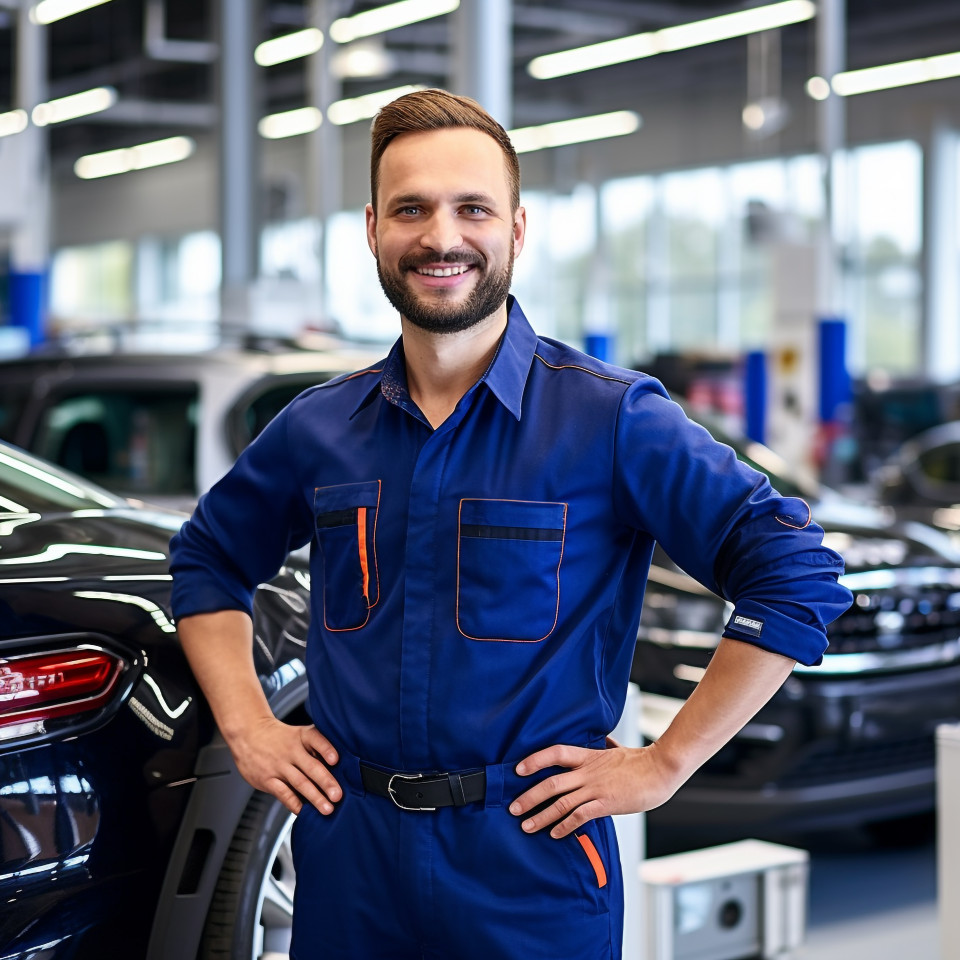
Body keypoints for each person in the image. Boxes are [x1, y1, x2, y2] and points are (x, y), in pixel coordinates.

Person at [170, 88, 852, 960]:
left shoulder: (610, 420)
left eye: (472, 208)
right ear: (373, 228)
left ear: (516, 231)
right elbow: (208, 560)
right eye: (411, 208)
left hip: (529, 867)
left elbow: (795, 573)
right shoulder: (319, 429)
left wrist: (664, 763)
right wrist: (250, 728)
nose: (442, 237)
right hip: (350, 862)